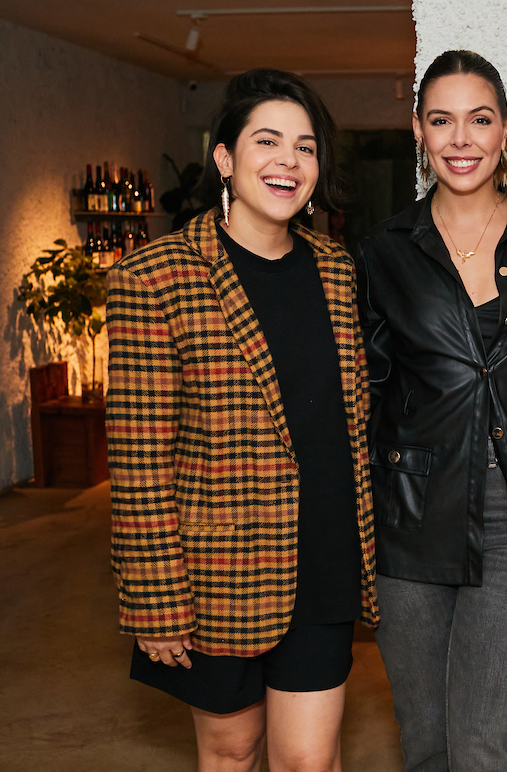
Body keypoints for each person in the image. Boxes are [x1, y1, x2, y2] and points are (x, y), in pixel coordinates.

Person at [107, 68, 376, 772]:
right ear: (225, 159)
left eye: (306, 147)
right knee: (231, 749)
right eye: (268, 141)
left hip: (323, 553)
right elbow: (139, 459)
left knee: (309, 760)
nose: (289, 161)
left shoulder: (336, 270)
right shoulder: (153, 278)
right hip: (217, 571)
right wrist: (156, 599)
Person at [356, 50, 507, 772]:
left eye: (479, 120)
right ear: (417, 130)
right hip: (410, 519)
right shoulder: (384, 249)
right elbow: (368, 392)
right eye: (441, 120)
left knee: (484, 749)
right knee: (426, 747)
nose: (461, 139)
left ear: (506, 129)